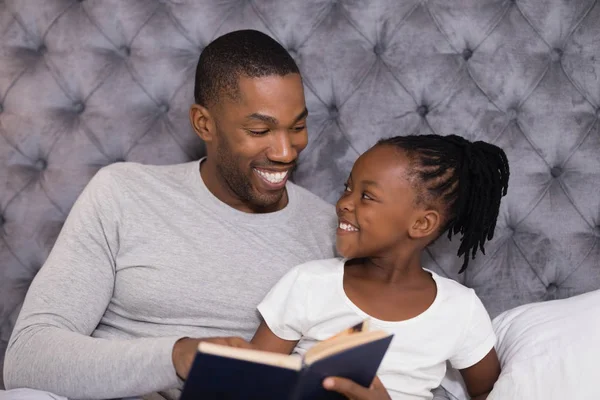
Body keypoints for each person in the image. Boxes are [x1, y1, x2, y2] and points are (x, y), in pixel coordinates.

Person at [2, 30, 339, 400]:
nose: (286, 151)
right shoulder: (123, 193)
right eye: (260, 130)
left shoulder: (330, 230)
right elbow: (27, 358)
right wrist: (176, 356)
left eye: (298, 127)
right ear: (204, 124)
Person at [251, 134, 509, 399]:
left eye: (367, 196)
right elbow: (251, 379)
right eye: (347, 188)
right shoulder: (309, 283)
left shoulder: (460, 310)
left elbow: (489, 392)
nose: (343, 203)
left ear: (421, 224)